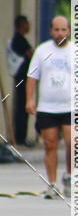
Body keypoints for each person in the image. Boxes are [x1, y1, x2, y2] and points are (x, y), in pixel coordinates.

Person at [26, 16, 73, 199]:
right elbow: (32, 77)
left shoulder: (77, 52)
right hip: (48, 107)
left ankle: (69, 176)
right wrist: (30, 99)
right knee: (50, 144)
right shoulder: (42, 50)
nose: (59, 33)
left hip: (71, 106)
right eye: (56, 30)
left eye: (63, 30)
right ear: (50, 31)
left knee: (73, 143)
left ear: (68, 31)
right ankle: (52, 184)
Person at [10, 15, 34, 145]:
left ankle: (21, 136)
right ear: (22, 24)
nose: (29, 26)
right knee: (22, 106)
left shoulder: (21, 39)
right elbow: (31, 54)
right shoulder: (18, 40)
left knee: (23, 106)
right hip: (21, 78)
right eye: (27, 23)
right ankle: (20, 137)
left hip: (24, 77)